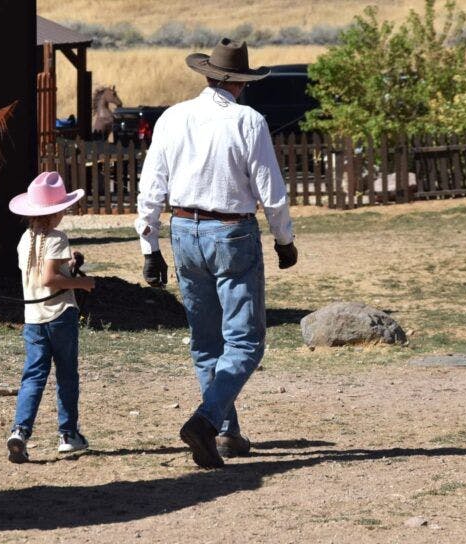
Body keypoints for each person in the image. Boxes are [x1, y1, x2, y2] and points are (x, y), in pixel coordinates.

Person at [134, 38, 298, 468]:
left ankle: (225, 432)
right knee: (245, 341)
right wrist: (284, 239)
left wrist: (150, 247)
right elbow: (270, 189)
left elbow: (151, 187)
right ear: (241, 83)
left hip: (183, 229)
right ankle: (207, 421)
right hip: (231, 232)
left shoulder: (173, 117)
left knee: (207, 341)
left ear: (208, 75)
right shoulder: (248, 121)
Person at [6, 171, 96, 463]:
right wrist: (82, 282)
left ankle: (20, 431)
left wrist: (68, 264)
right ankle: (68, 434)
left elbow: (40, 271)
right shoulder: (57, 237)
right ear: (56, 213)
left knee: (33, 375)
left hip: (33, 318)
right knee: (66, 374)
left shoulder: (25, 239)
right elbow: (49, 279)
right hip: (59, 315)